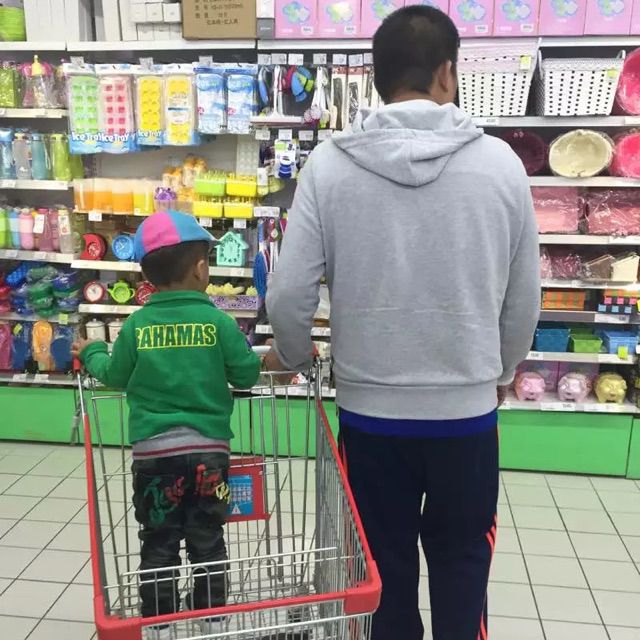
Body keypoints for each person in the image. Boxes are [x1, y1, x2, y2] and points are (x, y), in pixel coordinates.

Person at [264, 6, 540, 640]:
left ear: (376, 78)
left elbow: (289, 292)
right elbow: (523, 298)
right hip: (466, 415)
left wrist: (297, 357)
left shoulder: (329, 166)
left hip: (369, 415)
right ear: (447, 73)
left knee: (379, 568)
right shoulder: (501, 165)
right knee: (462, 559)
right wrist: (499, 372)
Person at [73, 211, 261, 640]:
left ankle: (158, 619)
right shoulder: (218, 322)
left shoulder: (137, 325)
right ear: (201, 269)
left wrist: (94, 351)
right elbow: (247, 375)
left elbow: (115, 375)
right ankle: (212, 614)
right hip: (209, 453)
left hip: (154, 455)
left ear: (146, 275)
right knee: (207, 535)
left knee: (159, 539)